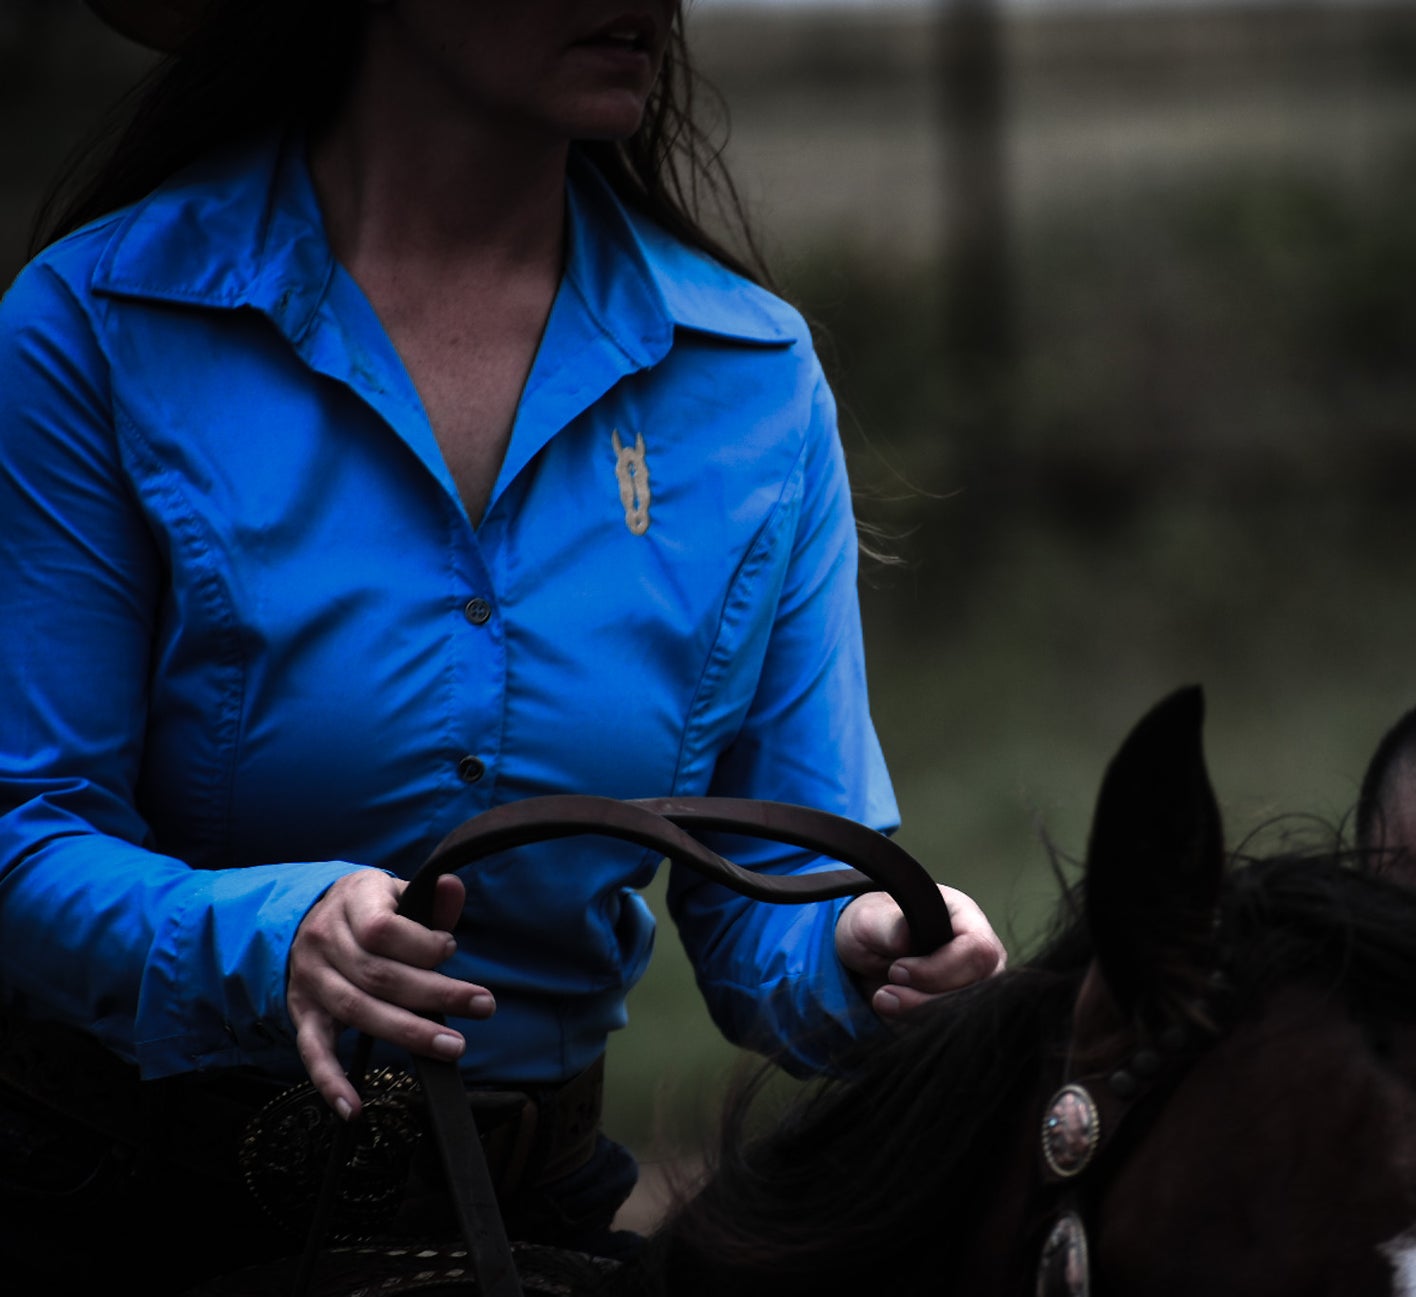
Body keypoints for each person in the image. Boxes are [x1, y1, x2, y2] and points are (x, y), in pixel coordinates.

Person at [0, 0, 1006, 1288]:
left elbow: (765, 883)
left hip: (535, 1235)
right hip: (132, 1218)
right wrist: (265, 935)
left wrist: (866, 951)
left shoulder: (752, 379)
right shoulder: (99, 328)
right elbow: (25, 831)